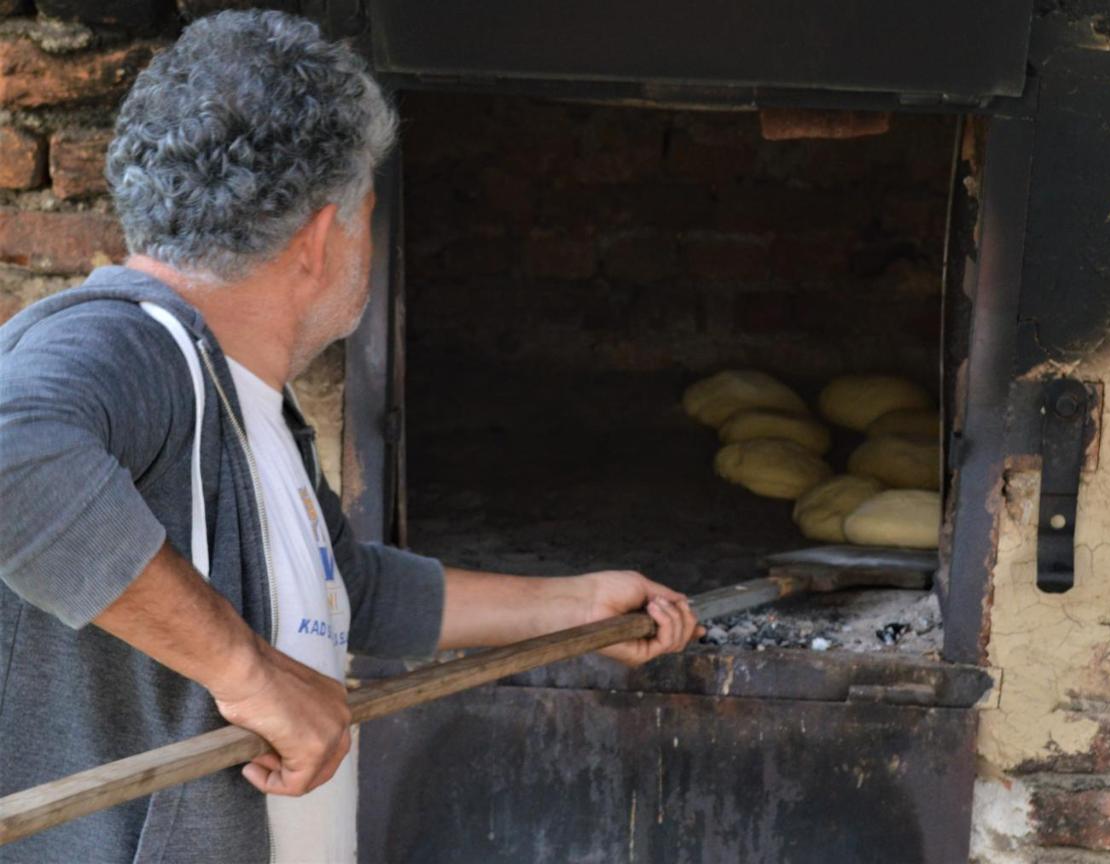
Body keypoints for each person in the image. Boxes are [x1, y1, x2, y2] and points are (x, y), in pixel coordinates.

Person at [0, 10, 702, 863]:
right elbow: (12, 461)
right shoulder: (133, 346)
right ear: (323, 239)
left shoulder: (244, 393)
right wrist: (246, 671)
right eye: (368, 212)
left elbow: (348, 590)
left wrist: (575, 604)